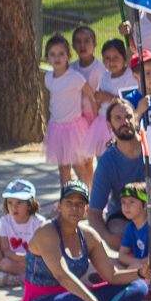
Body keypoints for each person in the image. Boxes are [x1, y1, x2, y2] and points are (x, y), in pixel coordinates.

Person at [8, 181, 148, 301]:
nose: (74, 208)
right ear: (59, 206)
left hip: (76, 294)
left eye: (80, 204)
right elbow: (62, 275)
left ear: (86, 209)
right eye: (69, 203)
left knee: (139, 286)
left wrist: (141, 273)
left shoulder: (89, 236)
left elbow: (112, 275)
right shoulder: (46, 232)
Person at [87, 100, 148, 243]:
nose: (124, 122)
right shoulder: (107, 161)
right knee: (119, 232)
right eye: (118, 118)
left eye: (128, 116)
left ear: (136, 118)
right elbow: (94, 213)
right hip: (123, 215)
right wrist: (108, 238)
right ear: (109, 125)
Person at [41, 34, 95, 187]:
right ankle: (66, 197)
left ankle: (88, 197)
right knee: (63, 168)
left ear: (68, 56)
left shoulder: (75, 77)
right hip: (56, 128)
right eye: (52, 54)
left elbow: (91, 96)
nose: (57, 58)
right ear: (47, 58)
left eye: (61, 54)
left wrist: (95, 120)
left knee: (80, 167)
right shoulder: (48, 78)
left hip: (74, 129)